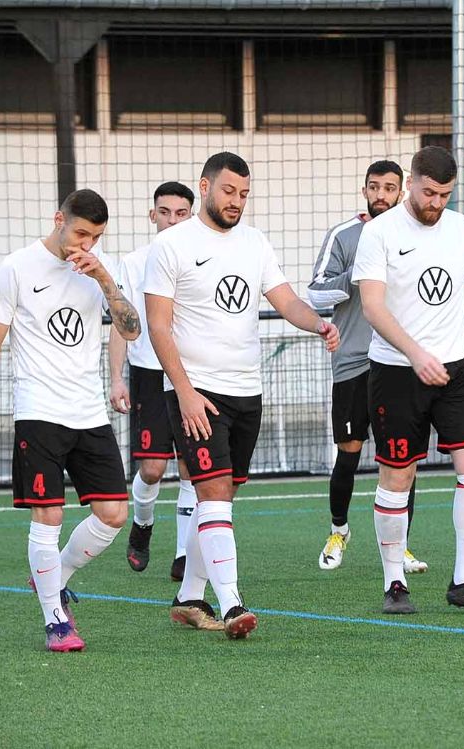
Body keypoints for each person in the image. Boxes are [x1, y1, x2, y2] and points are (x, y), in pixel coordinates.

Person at [145, 152, 339, 638]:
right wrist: (184, 391)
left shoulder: (255, 242)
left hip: (246, 391)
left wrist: (317, 324)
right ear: (205, 187)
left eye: (244, 194)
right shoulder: (171, 245)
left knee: (220, 498)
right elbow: (158, 326)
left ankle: (189, 597)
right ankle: (232, 604)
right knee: (212, 495)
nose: (236, 201)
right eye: (229, 191)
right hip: (197, 391)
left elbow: (286, 299)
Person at [0, 189, 140, 652]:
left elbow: (131, 329)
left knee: (114, 513)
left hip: (89, 412)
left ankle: (54, 577)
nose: (87, 244)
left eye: (96, 237)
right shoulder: (17, 267)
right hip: (38, 410)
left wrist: (104, 278)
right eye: (81, 233)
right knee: (49, 515)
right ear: (59, 219)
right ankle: (55, 621)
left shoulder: (101, 269)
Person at [353, 145, 464, 615]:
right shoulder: (380, 233)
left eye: (445, 195)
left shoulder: (461, 228)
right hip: (396, 372)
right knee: (398, 475)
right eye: (428, 193)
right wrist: (415, 353)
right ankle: (394, 582)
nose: (436, 203)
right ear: (410, 184)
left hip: (456, 369)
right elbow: (372, 307)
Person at [307, 160, 428, 574]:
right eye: (374, 187)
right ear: (364, 191)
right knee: (349, 452)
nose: (381, 195)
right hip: (353, 362)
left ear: (402, 191)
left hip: (397, 361)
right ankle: (338, 531)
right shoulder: (344, 235)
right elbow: (315, 294)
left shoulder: (417, 235)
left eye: (389, 188)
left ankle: (401, 545)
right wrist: (355, 275)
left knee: (402, 459)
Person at [108, 181, 196, 581]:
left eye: (181, 213)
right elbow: (120, 324)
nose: (172, 220)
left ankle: (184, 554)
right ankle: (142, 524)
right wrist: (116, 378)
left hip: (193, 373)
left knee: (193, 466)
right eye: (165, 212)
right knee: (153, 469)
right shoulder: (134, 263)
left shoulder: (202, 258)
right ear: (152, 215)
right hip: (148, 373)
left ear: (191, 216)